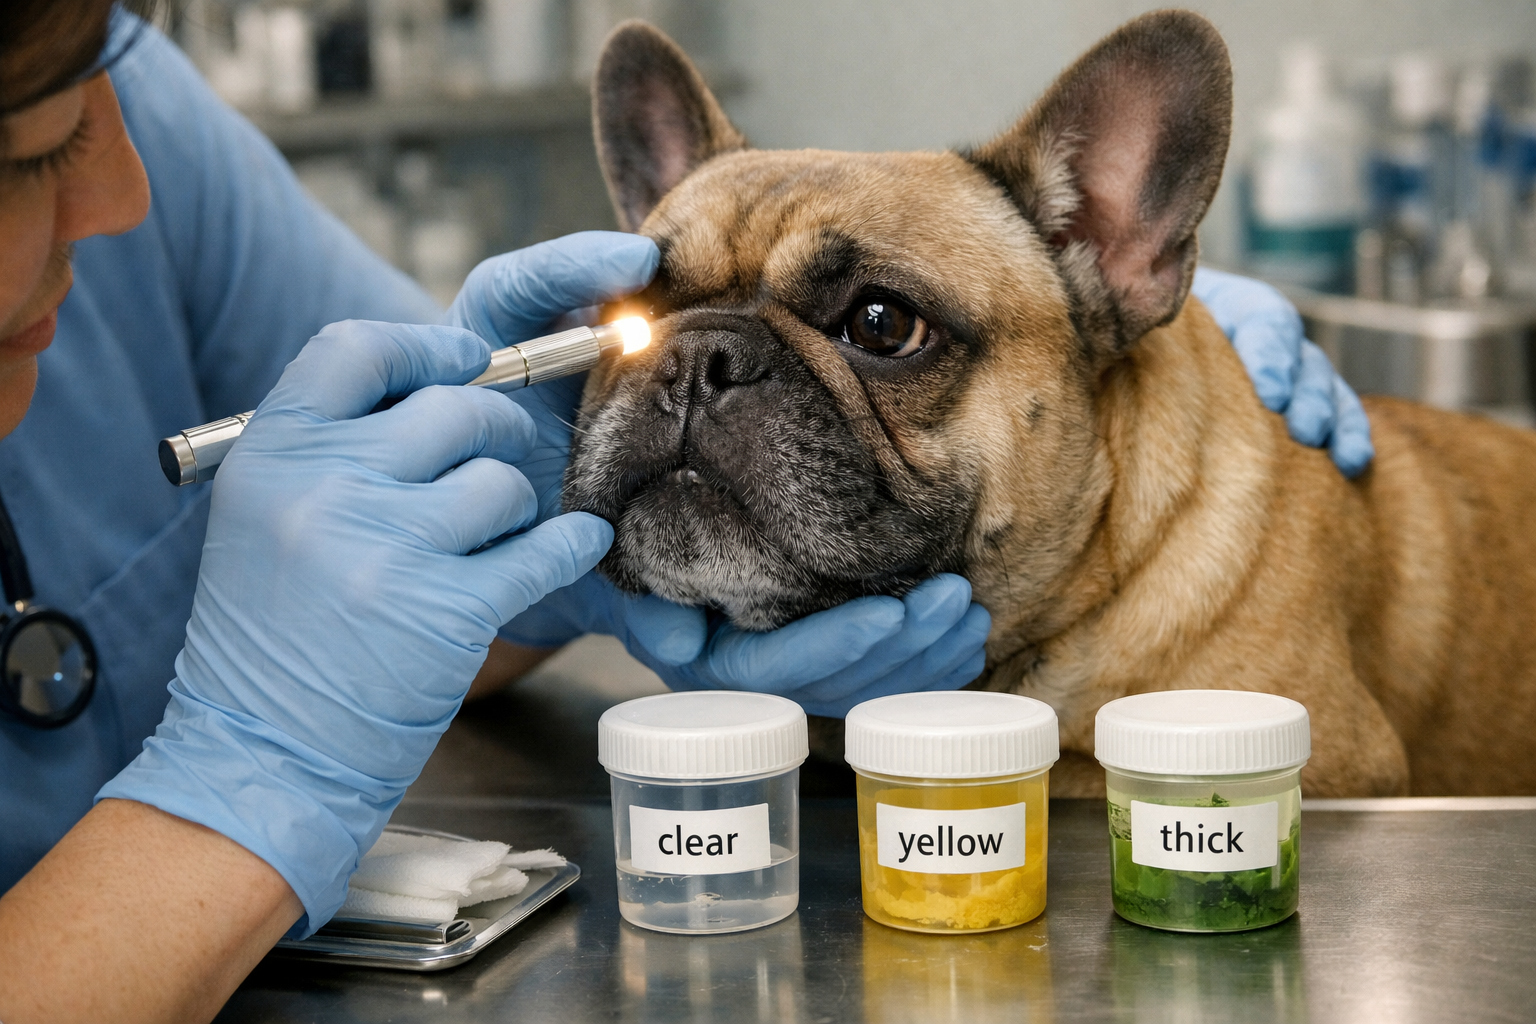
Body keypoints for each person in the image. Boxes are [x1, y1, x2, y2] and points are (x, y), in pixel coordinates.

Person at [0, 3, 1371, 1021]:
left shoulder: (116, 83)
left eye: (882, 326)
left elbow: (425, 486)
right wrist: (257, 758)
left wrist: (531, 567)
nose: (115, 191)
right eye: (38, 151)